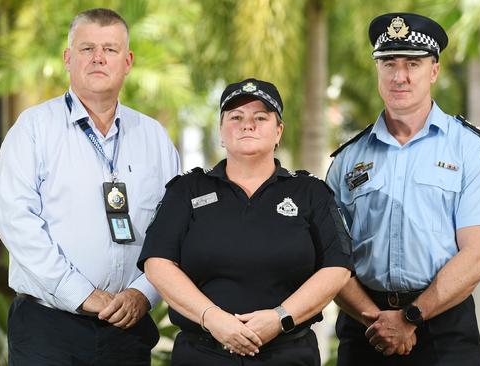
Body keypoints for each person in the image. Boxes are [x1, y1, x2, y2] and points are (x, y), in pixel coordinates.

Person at [0, 8, 180, 365]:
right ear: (67, 58)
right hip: (48, 329)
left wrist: (144, 293)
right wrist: (82, 294)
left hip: (129, 328)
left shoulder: (154, 138)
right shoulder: (33, 129)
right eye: (86, 48)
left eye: (110, 50)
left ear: (127, 61)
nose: (98, 58)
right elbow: (17, 223)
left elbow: (171, 229)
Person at [326, 13, 480, 366]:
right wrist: (374, 319)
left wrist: (410, 317)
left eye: (413, 63)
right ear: (377, 70)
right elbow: (332, 256)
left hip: (444, 329)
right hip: (366, 329)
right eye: (389, 63)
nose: (400, 76)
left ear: (434, 71)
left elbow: (478, 256)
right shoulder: (348, 159)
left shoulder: (470, 150)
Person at [138, 78, 352, 366]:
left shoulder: (310, 193)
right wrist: (213, 318)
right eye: (235, 117)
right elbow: (157, 262)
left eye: (260, 117)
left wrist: (280, 317)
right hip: (203, 355)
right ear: (221, 132)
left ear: (279, 131)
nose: (247, 124)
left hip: (287, 355)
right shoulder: (187, 190)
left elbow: (337, 268)